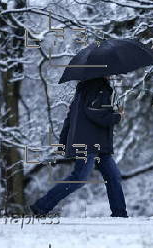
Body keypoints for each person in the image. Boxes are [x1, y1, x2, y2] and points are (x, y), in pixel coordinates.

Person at [30, 76, 128, 217]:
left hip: (99, 144)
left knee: (113, 176)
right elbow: (95, 113)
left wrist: (63, 143)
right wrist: (117, 116)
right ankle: (41, 206)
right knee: (79, 178)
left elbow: (69, 118)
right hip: (89, 144)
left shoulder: (83, 90)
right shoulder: (98, 87)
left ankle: (120, 214)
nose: (113, 74)